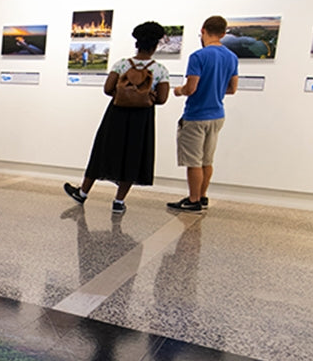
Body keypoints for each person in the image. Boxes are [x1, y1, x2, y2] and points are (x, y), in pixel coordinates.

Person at [64, 21, 170, 214]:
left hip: (117, 114)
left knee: (102, 151)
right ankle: (119, 201)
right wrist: (144, 96)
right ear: (156, 45)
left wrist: (126, 95)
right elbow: (162, 99)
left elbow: (107, 89)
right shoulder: (160, 70)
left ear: (137, 43)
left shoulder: (122, 64)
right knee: (133, 156)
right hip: (142, 119)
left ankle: (83, 192)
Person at [167, 14, 239, 212]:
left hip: (196, 115)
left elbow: (191, 88)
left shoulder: (198, 56)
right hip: (217, 115)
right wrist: (214, 88)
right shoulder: (231, 57)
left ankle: (193, 199)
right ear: (223, 34)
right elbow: (232, 88)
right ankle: (203, 196)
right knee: (207, 160)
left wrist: (178, 90)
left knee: (193, 162)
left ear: (203, 30)